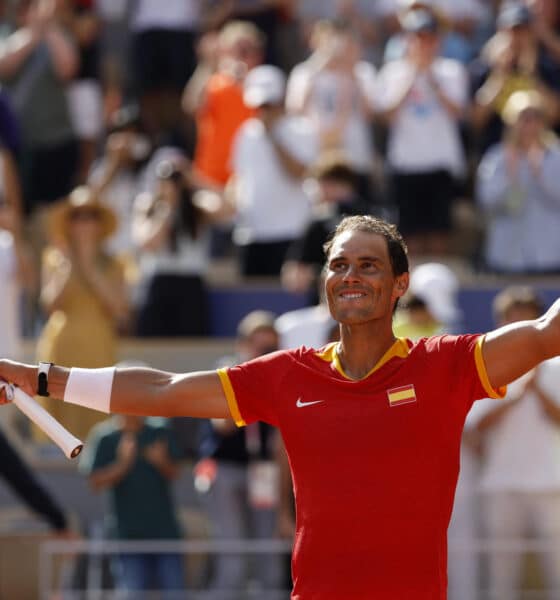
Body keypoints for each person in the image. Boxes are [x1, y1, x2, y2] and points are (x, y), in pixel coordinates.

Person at [2, 214, 560, 599]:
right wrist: (39, 377)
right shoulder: (287, 374)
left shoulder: (447, 363)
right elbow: (163, 389)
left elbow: (543, 334)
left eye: (368, 265)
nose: (351, 276)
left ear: (399, 285)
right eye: (339, 264)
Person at [472, 286, 560, 600]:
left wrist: (535, 387)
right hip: (500, 485)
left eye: (525, 317)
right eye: (511, 317)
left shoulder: (557, 368)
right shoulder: (486, 370)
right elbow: (476, 429)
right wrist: (517, 396)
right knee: (501, 579)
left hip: (550, 485)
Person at [196, 310, 283, 598]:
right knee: (232, 551)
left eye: (272, 348)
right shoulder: (228, 371)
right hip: (225, 468)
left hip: (263, 470)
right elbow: (222, 425)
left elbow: (280, 439)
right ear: (244, 344)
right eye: (261, 347)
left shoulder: (280, 376)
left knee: (267, 550)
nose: (267, 354)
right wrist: (251, 382)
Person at [35, 186, 130, 441]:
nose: (84, 223)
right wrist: (70, 264)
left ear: (100, 225)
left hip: (98, 346)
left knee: (96, 409)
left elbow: (119, 310)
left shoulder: (116, 263)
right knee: (56, 410)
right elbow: (49, 304)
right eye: (77, 216)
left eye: (90, 216)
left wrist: (89, 267)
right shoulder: (55, 259)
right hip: (60, 345)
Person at [79, 413, 185, 596]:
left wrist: (161, 462)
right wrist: (122, 464)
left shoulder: (160, 430)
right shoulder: (104, 436)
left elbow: (176, 472)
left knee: (175, 594)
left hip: (165, 535)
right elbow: (94, 482)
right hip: (127, 538)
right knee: (132, 594)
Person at [476, 89, 560, 273]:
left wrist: (540, 175)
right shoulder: (497, 158)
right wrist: (511, 180)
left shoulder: (556, 156)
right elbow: (487, 203)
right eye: (523, 117)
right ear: (511, 121)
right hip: (508, 256)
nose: (529, 124)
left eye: (535, 117)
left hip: (551, 255)